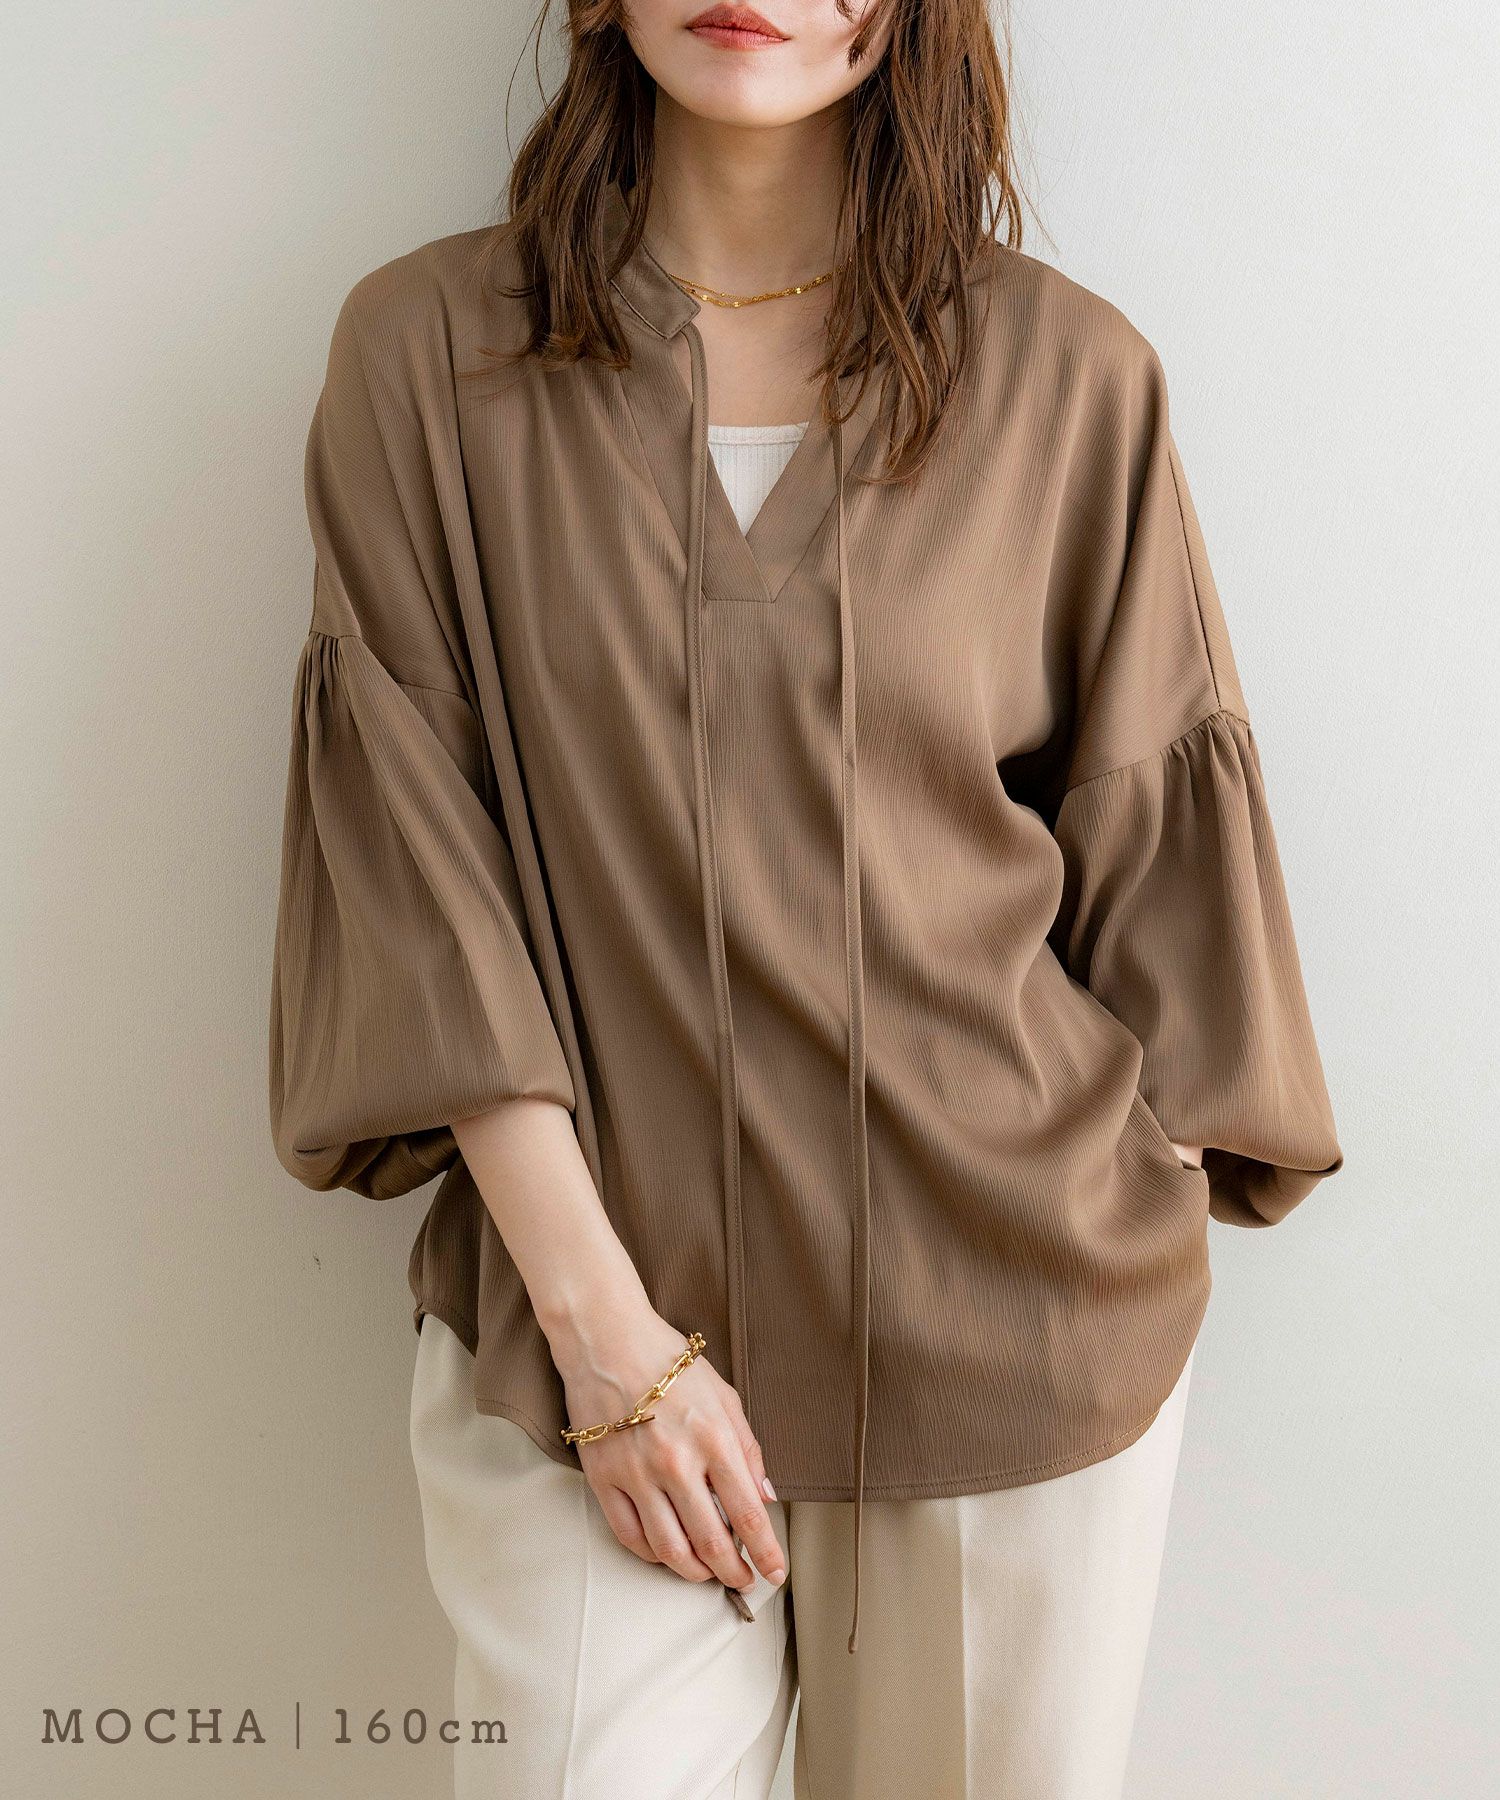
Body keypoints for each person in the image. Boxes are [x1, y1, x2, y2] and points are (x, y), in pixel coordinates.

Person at [267, 2, 1344, 1794]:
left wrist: (1101, 1205)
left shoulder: (1069, 377)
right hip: (578, 1339)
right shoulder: (428, 357)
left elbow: (1159, 848)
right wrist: (609, 1345)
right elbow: (411, 868)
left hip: (1009, 1340)